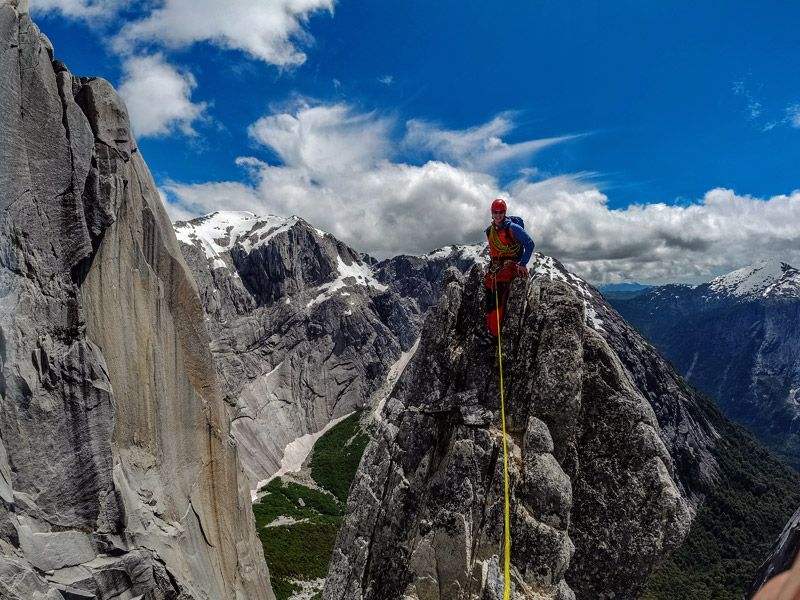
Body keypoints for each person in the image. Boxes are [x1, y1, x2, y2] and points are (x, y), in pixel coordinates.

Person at [484, 198, 534, 338]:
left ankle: (494, 334)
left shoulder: (513, 228)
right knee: (490, 296)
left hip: (510, 266)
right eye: (495, 212)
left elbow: (530, 244)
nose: (498, 215)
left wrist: (522, 264)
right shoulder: (490, 231)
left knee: (498, 296)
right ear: (492, 213)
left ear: (504, 213)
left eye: (501, 212)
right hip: (496, 267)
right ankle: (490, 329)